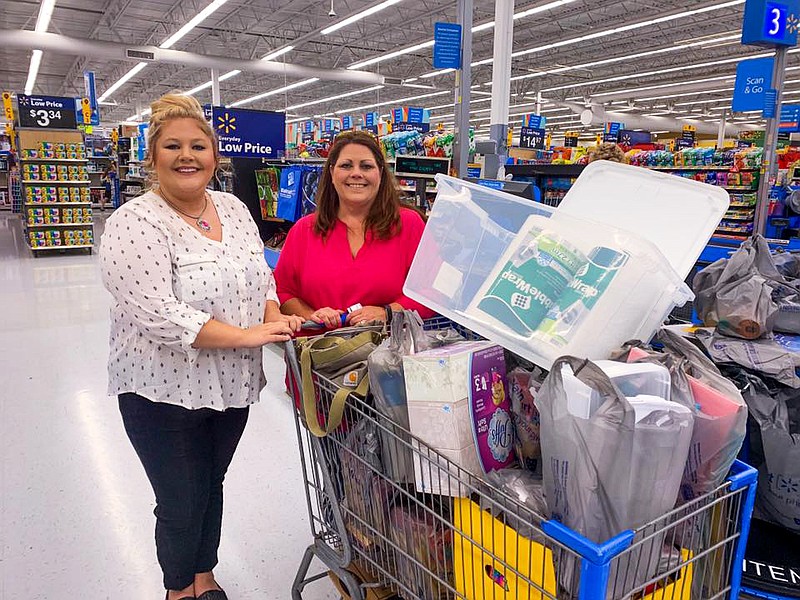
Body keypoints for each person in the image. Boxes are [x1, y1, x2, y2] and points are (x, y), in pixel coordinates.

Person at [99, 93, 303, 600]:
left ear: (214, 155)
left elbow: (261, 277)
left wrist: (274, 317)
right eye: (173, 146)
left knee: (211, 485)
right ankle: (177, 590)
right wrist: (247, 336)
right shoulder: (134, 221)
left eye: (197, 145)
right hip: (159, 390)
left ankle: (204, 577)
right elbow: (157, 313)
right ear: (153, 156)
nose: (186, 155)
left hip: (229, 385)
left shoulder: (233, 208)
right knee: (179, 500)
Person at [274, 130, 434, 326]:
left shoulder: (409, 224)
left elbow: (433, 291)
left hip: (391, 351)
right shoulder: (304, 230)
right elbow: (282, 291)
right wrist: (312, 315)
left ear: (381, 174)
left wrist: (388, 313)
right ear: (332, 173)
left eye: (366, 166)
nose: (356, 173)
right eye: (346, 165)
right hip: (320, 349)